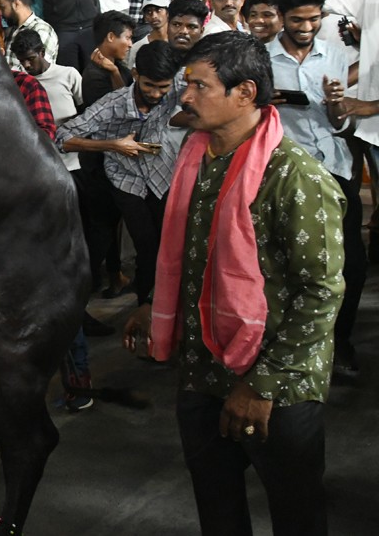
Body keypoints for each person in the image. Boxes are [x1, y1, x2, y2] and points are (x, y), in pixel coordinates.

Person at [124, 31, 344, 536]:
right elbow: (195, 258)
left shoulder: (294, 176)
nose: (184, 96)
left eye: (200, 86)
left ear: (245, 92)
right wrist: (160, 304)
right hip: (203, 369)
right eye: (186, 85)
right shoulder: (196, 161)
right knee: (217, 506)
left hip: (279, 382)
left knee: (296, 512)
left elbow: (320, 295)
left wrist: (261, 385)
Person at [268, 0, 363, 375]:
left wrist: (339, 107)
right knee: (291, 262)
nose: (306, 29)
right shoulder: (261, 58)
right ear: (281, 17)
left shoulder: (334, 55)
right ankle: (293, 346)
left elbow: (342, 124)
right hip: (286, 171)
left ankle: (340, 341)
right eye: (296, 20)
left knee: (351, 261)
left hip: (335, 166)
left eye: (313, 19)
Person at [59, 42, 183, 308]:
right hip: (127, 183)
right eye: (150, 85)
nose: (157, 93)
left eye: (164, 87)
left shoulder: (172, 92)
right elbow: (63, 137)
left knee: (170, 247)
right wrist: (112, 145)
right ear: (136, 75)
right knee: (147, 249)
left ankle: (168, 309)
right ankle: (146, 313)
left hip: (163, 177)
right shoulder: (111, 105)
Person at [0, 0, 57, 72]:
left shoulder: (42, 30)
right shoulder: (12, 31)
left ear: (16, 4)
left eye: (2, 7)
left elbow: (37, 71)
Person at [84, 11, 135, 106]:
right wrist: (115, 73)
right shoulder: (93, 76)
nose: (130, 44)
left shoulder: (122, 68)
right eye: (127, 38)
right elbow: (120, 107)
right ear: (111, 37)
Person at [129, 0, 170, 67]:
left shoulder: (177, 42)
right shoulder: (138, 47)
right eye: (148, 12)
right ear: (145, 17)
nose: (154, 16)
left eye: (158, 10)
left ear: (168, 12)